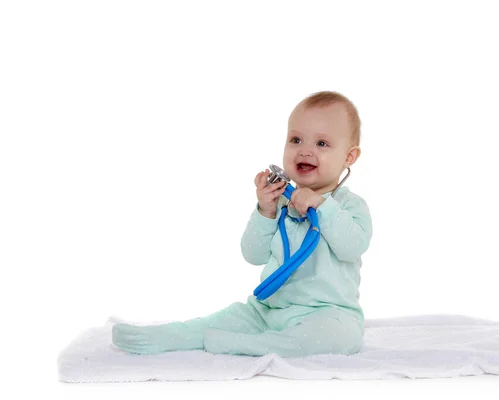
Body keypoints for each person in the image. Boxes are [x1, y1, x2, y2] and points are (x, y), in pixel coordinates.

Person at [112, 91, 373, 357]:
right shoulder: (282, 203)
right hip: (268, 310)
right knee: (221, 320)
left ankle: (246, 346)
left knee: (341, 339)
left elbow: (352, 247)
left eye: (322, 143)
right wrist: (265, 210)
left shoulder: (348, 205)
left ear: (349, 157)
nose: (305, 149)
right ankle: (164, 336)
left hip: (327, 313)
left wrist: (322, 205)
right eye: (296, 139)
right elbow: (253, 255)